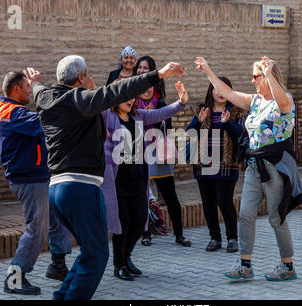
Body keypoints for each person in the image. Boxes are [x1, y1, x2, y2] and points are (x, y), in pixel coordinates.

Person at [25, 55, 185, 299]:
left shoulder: (46, 97)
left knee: (89, 251)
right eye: (88, 75)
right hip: (80, 187)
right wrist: (158, 75)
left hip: (57, 189)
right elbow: (118, 90)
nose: (91, 79)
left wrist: (36, 82)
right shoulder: (80, 100)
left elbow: (38, 90)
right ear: (80, 77)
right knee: (98, 257)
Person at [195, 56, 302, 281]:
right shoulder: (255, 101)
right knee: (245, 215)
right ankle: (245, 265)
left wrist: (270, 73)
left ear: (268, 77)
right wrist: (208, 70)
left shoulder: (285, 101)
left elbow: (282, 101)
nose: (252, 80)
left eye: (256, 76)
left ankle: (288, 266)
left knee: (276, 218)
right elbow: (227, 92)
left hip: (275, 168)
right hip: (254, 167)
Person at [101, 81, 188, 281]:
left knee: (140, 220)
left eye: (133, 96)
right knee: (123, 223)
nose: (131, 100)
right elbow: (92, 108)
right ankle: (119, 265)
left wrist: (180, 103)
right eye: (127, 96)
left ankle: (127, 257)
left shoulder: (138, 116)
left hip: (138, 179)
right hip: (118, 181)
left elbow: (161, 114)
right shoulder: (108, 116)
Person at [0, 71, 73, 295]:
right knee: (36, 228)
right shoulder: (13, 112)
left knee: (58, 217)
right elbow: (44, 122)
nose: (30, 92)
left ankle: (58, 266)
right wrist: (57, 99)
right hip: (28, 179)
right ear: (16, 89)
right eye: (28, 88)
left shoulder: (14, 111)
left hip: (38, 176)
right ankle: (15, 278)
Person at [133, 55, 191, 248]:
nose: (147, 89)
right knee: (142, 195)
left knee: (170, 194)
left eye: (150, 86)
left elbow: (169, 126)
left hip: (158, 152)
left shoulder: (160, 104)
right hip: (138, 152)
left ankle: (179, 234)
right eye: (139, 68)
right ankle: (145, 232)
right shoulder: (132, 107)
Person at [186, 77, 244, 253]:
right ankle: (215, 238)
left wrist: (227, 124)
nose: (220, 93)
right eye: (216, 88)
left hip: (226, 165)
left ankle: (232, 238)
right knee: (208, 202)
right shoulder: (202, 110)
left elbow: (239, 136)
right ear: (211, 91)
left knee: (224, 201)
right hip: (204, 163)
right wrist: (198, 120)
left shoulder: (236, 112)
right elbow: (190, 133)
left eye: (224, 88)